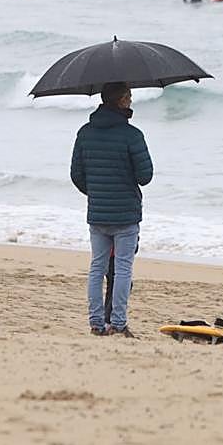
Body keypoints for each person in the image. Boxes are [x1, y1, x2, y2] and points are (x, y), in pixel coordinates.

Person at [70, 82, 153, 337]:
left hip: (98, 212)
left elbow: (76, 175)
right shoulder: (132, 135)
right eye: (129, 96)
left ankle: (97, 323)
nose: (131, 100)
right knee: (123, 269)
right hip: (126, 213)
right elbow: (145, 176)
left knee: (97, 268)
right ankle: (118, 323)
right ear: (120, 100)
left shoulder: (85, 133)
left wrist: (97, 192)